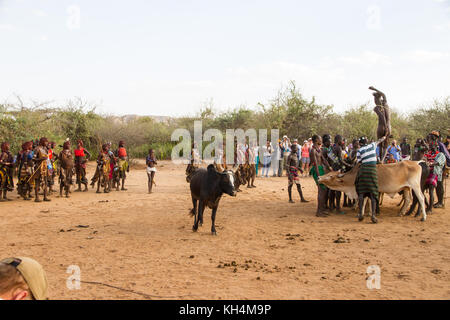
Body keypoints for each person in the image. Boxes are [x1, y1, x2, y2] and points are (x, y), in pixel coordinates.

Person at [355, 135, 387, 223]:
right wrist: (385, 136)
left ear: (360, 143)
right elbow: (380, 140)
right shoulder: (372, 145)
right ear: (367, 141)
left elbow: (359, 162)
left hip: (363, 171)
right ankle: (373, 215)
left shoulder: (359, 150)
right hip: (372, 171)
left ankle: (361, 214)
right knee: (373, 193)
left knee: (361, 193)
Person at [310, 135, 332, 217]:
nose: (321, 140)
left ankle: (321, 209)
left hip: (320, 169)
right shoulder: (313, 151)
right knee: (321, 190)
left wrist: (329, 166)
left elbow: (323, 159)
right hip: (317, 170)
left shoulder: (318, 150)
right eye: (320, 139)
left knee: (324, 190)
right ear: (316, 140)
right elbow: (315, 164)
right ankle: (319, 211)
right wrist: (319, 176)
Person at [370, 86, 391, 161]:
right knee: (385, 145)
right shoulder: (385, 104)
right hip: (388, 126)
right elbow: (384, 94)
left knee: (381, 145)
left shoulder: (377, 108)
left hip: (381, 127)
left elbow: (382, 117)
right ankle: (382, 160)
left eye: (375, 100)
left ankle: (380, 159)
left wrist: (385, 127)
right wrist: (374, 89)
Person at [33, 137, 51, 202]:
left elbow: (47, 159)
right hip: (38, 167)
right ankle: (37, 197)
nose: (47, 143)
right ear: (42, 142)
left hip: (44, 167)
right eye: (45, 142)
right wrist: (41, 159)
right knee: (37, 182)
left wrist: (49, 168)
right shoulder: (37, 149)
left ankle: (45, 197)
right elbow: (33, 159)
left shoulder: (45, 149)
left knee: (45, 181)